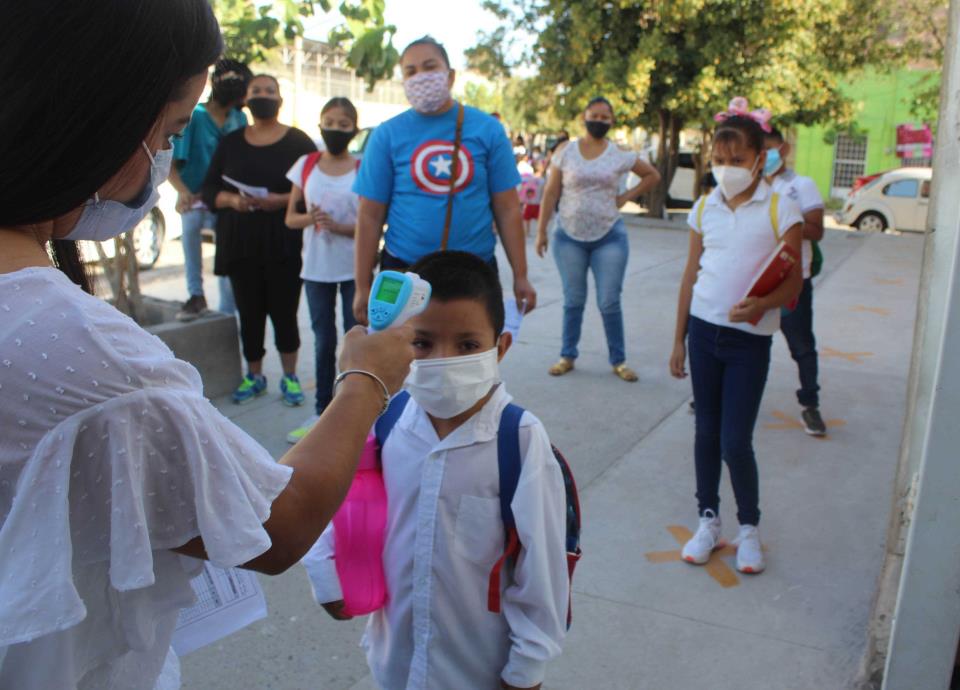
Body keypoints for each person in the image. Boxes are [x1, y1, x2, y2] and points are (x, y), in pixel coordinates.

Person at [0, 2, 414, 688]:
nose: (165, 159)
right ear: (94, 117)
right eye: (168, 131)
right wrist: (366, 380)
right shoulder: (85, 353)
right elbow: (276, 526)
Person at [302, 251, 569, 690]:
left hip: (476, 672)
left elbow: (542, 568)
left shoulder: (519, 439)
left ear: (501, 347)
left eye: (467, 345)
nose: (443, 360)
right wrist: (326, 575)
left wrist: (527, 668)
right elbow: (343, 497)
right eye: (422, 343)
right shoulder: (385, 418)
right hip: (393, 662)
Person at [669, 100, 803, 574]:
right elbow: (691, 275)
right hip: (704, 334)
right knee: (705, 433)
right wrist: (679, 338)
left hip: (749, 342)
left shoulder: (782, 208)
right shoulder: (704, 207)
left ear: (760, 159)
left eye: (738, 160)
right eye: (720, 160)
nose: (727, 169)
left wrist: (762, 305)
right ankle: (708, 520)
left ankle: (749, 529)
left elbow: (794, 281)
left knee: (734, 441)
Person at [352, 35, 537, 325]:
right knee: (401, 352)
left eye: (430, 67)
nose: (420, 77)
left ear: (450, 76)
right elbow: (370, 215)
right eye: (410, 71)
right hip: (403, 269)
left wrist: (521, 275)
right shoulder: (387, 135)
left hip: (473, 272)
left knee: (471, 349)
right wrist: (362, 285)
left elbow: (508, 208)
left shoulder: (488, 130)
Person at [202, 74, 316, 406]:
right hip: (241, 244)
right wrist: (232, 200)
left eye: (270, 91)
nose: (263, 96)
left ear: (280, 99)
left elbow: (317, 188)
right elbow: (209, 189)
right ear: (245, 99)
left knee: (285, 313)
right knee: (249, 314)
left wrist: (282, 201)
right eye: (256, 91)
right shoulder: (231, 142)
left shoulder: (299, 142)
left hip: (284, 243)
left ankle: (290, 377)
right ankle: (254, 376)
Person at [536, 97, 661, 382]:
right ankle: (567, 356)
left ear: (612, 121)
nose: (599, 121)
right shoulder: (566, 151)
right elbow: (551, 192)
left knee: (609, 301)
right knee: (573, 300)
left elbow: (652, 175)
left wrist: (626, 197)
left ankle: (619, 361)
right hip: (568, 237)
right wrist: (541, 231)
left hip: (609, 237)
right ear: (584, 117)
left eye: (605, 117)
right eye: (595, 115)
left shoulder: (619, 154)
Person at [284, 97, 361, 444]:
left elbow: (371, 224)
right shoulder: (306, 164)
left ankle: (356, 411)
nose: (335, 129)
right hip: (315, 269)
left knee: (354, 339)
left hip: (353, 269)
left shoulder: (362, 168)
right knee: (324, 341)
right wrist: (311, 219)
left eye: (343, 124)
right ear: (319, 124)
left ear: (354, 129)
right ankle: (322, 410)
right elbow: (291, 218)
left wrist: (341, 227)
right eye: (329, 122)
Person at [169, 58, 251, 321]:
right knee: (191, 225)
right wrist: (182, 191)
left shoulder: (239, 118)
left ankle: (228, 310)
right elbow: (171, 163)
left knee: (228, 247)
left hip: (225, 198)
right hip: (196, 196)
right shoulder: (196, 117)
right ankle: (196, 294)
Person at [764, 126, 828, 436]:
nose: (764, 155)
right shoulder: (750, 189)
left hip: (793, 281)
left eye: (769, 148)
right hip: (756, 281)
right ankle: (717, 397)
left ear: (784, 149)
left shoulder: (801, 185)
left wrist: (785, 221)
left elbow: (816, 230)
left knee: (801, 346)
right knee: (742, 341)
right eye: (758, 150)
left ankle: (810, 405)